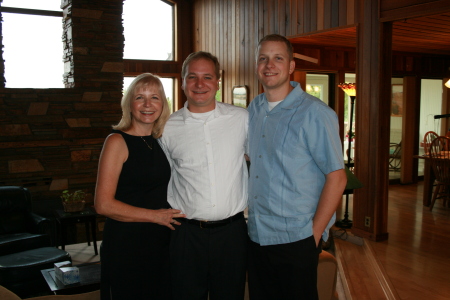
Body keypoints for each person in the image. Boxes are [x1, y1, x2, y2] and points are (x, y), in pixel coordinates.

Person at [247, 34, 347, 300]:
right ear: (257, 65)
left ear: (291, 66)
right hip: (256, 235)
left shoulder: (316, 113)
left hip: (296, 239)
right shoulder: (254, 109)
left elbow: (337, 178)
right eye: (263, 58)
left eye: (278, 58)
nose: (270, 64)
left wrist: (313, 236)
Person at [159, 51, 249, 300]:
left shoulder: (241, 119)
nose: (200, 84)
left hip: (232, 234)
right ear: (183, 81)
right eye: (193, 77)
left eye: (207, 77)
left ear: (218, 82)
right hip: (185, 235)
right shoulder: (166, 128)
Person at [94, 73, 185, 300]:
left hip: (160, 242)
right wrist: (155, 216)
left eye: (154, 97)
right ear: (129, 104)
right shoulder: (117, 141)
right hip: (127, 243)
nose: (147, 104)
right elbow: (103, 204)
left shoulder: (159, 141)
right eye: (139, 98)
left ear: (163, 104)